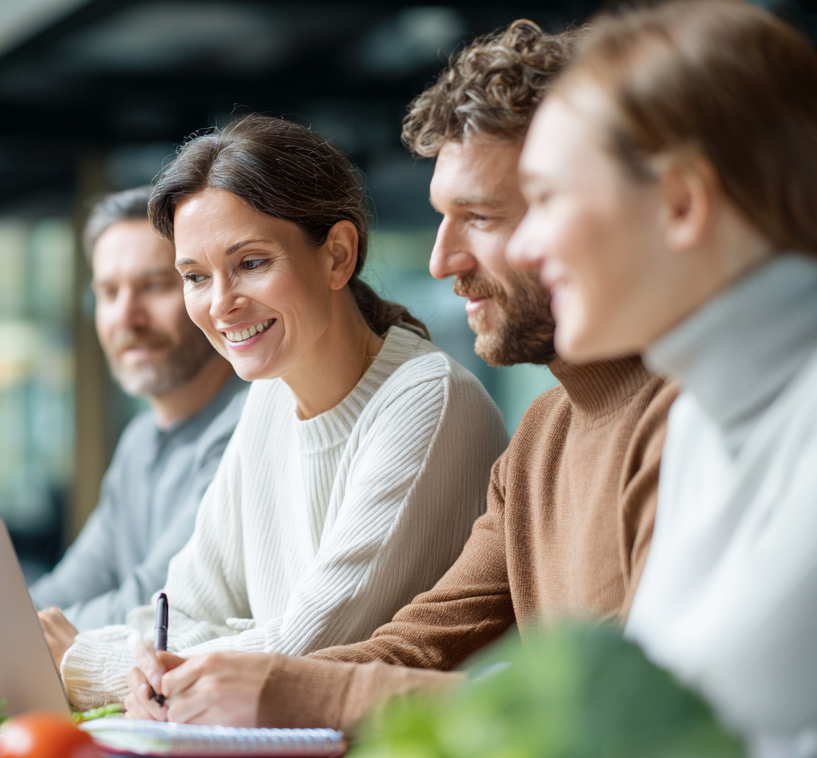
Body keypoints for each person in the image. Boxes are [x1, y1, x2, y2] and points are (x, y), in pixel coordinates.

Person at [124, 21, 680, 729]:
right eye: (443, 218)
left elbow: (624, 716)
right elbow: (414, 649)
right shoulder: (541, 437)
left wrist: (278, 687)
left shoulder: (682, 422)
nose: (441, 261)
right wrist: (221, 680)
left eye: (480, 216)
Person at [54, 114, 510, 711]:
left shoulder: (426, 398)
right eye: (194, 276)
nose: (220, 305)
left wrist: (87, 660)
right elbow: (182, 609)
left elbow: (303, 651)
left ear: (337, 256)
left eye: (250, 263)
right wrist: (217, 643)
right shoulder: (269, 396)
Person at [508, 0, 817, 740]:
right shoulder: (697, 416)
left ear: (682, 202)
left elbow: (678, 734)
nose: (524, 247)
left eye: (547, 198)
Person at [30, 187, 247, 640]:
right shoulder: (140, 439)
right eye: (109, 293)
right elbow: (73, 583)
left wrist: (18, 631)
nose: (128, 317)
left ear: (200, 288)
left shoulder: (249, 425)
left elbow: (157, 600)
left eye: (154, 286)